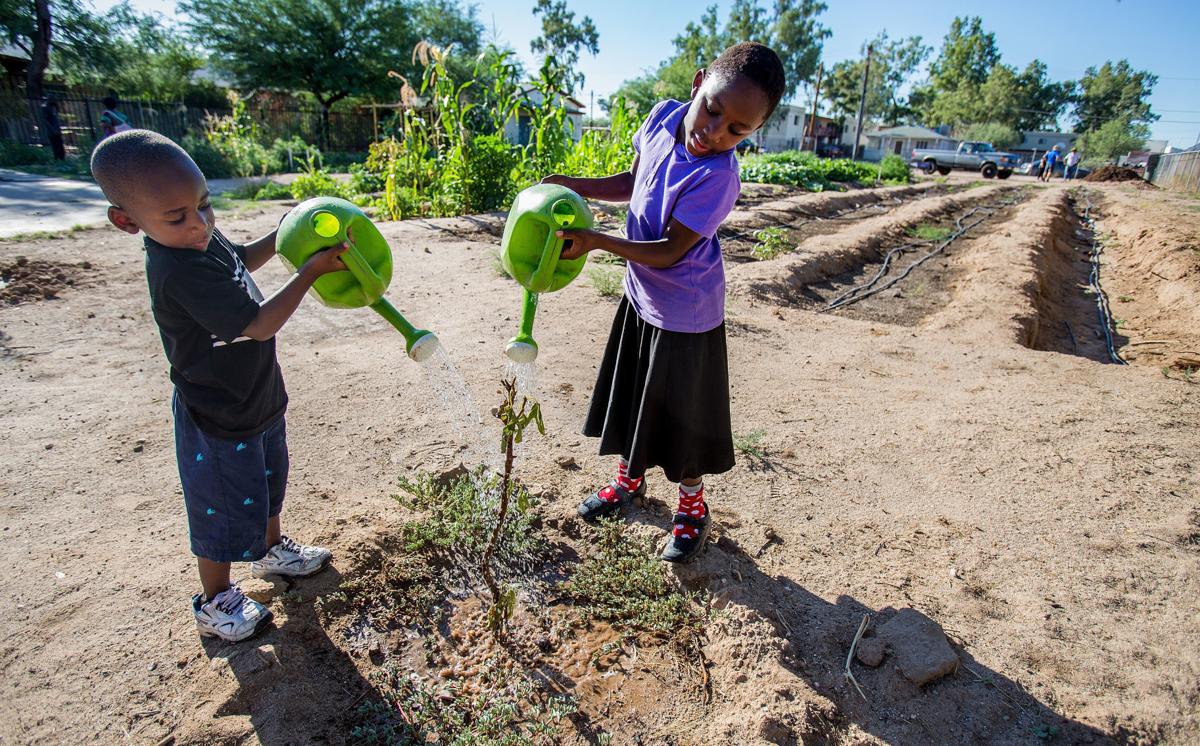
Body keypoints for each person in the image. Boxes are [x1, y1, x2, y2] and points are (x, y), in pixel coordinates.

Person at [90, 130, 349, 641]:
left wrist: (287, 232)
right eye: (178, 217)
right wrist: (311, 271)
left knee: (269, 480)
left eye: (205, 205)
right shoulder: (176, 270)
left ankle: (272, 552)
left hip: (257, 394)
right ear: (127, 221)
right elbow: (258, 324)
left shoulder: (202, 241)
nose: (200, 224)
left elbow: (243, 259)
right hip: (216, 412)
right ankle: (215, 600)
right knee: (222, 508)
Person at [542, 42, 786, 563]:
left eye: (737, 130)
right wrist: (573, 185)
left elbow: (672, 250)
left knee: (682, 423)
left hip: (685, 316)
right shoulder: (661, 119)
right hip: (640, 298)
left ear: (752, 134)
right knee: (631, 398)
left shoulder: (718, 177)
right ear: (698, 84)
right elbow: (634, 181)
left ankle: (693, 507)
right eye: (714, 110)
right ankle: (628, 483)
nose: (716, 131)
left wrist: (597, 240)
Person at [41, 95, 65, 160]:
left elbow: (56, 118)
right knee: (55, 146)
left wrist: (58, 129)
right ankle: (57, 158)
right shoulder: (45, 107)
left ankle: (62, 158)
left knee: (60, 145)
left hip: (57, 129)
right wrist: (52, 129)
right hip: (51, 131)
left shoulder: (54, 107)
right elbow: (45, 120)